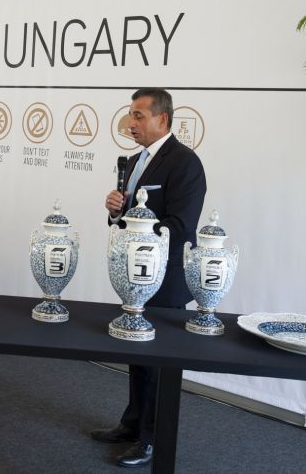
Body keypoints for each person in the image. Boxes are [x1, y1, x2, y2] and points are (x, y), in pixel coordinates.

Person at [94, 88, 206, 468]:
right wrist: (116, 210)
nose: (131, 123)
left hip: (165, 279)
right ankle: (132, 424)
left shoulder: (185, 162)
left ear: (163, 119)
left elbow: (180, 226)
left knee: (157, 364)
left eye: (139, 115)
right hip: (135, 278)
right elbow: (127, 218)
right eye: (130, 115)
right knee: (137, 356)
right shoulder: (134, 161)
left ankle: (151, 440)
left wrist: (138, 235)